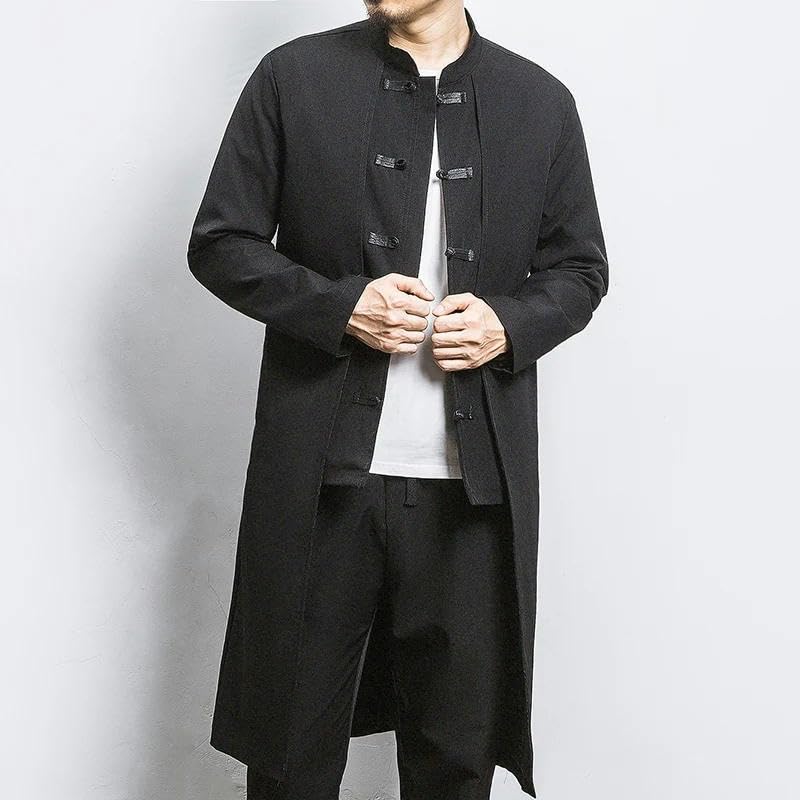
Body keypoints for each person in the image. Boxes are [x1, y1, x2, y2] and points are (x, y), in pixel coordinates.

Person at [187, 2, 608, 798]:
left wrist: (509, 324)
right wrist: (339, 307)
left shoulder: (539, 100)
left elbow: (580, 269)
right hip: (320, 481)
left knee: (456, 762)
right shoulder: (293, 78)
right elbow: (220, 242)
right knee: (288, 757)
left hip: (472, 493)